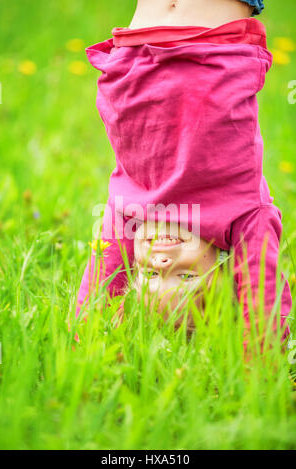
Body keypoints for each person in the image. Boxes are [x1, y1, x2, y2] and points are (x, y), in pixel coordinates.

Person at [76, 0, 292, 344]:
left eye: (151, 274)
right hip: (212, 58)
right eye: (186, 277)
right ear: (226, 265)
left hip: (132, 63)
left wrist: (91, 351)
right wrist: (261, 372)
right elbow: (263, 308)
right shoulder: (242, 214)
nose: (163, 262)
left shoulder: (129, 213)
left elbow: (96, 301)